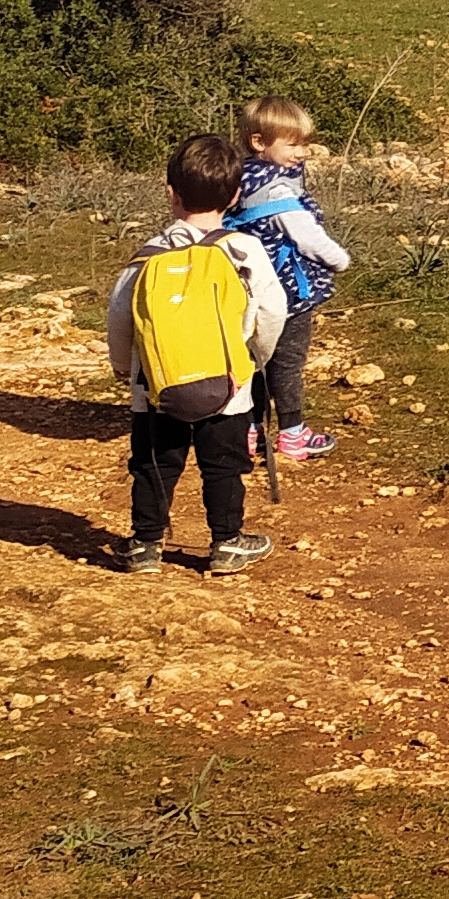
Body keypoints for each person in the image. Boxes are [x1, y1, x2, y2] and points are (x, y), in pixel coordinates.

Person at [102, 133, 291, 576]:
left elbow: (119, 319)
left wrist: (123, 369)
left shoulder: (146, 258)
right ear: (236, 194)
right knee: (223, 466)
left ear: (171, 194)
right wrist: (255, 358)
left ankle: (145, 545)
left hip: (155, 388)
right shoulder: (243, 251)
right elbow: (273, 310)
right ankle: (226, 543)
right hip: (230, 387)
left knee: (155, 465)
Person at [225, 95, 353, 463]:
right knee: (288, 362)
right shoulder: (278, 190)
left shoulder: (240, 178)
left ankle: (248, 431)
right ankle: (293, 434)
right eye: (293, 144)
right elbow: (306, 236)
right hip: (289, 293)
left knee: (253, 359)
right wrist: (339, 261)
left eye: (304, 143)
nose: (302, 153)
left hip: (248, 289)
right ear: (259, 142)